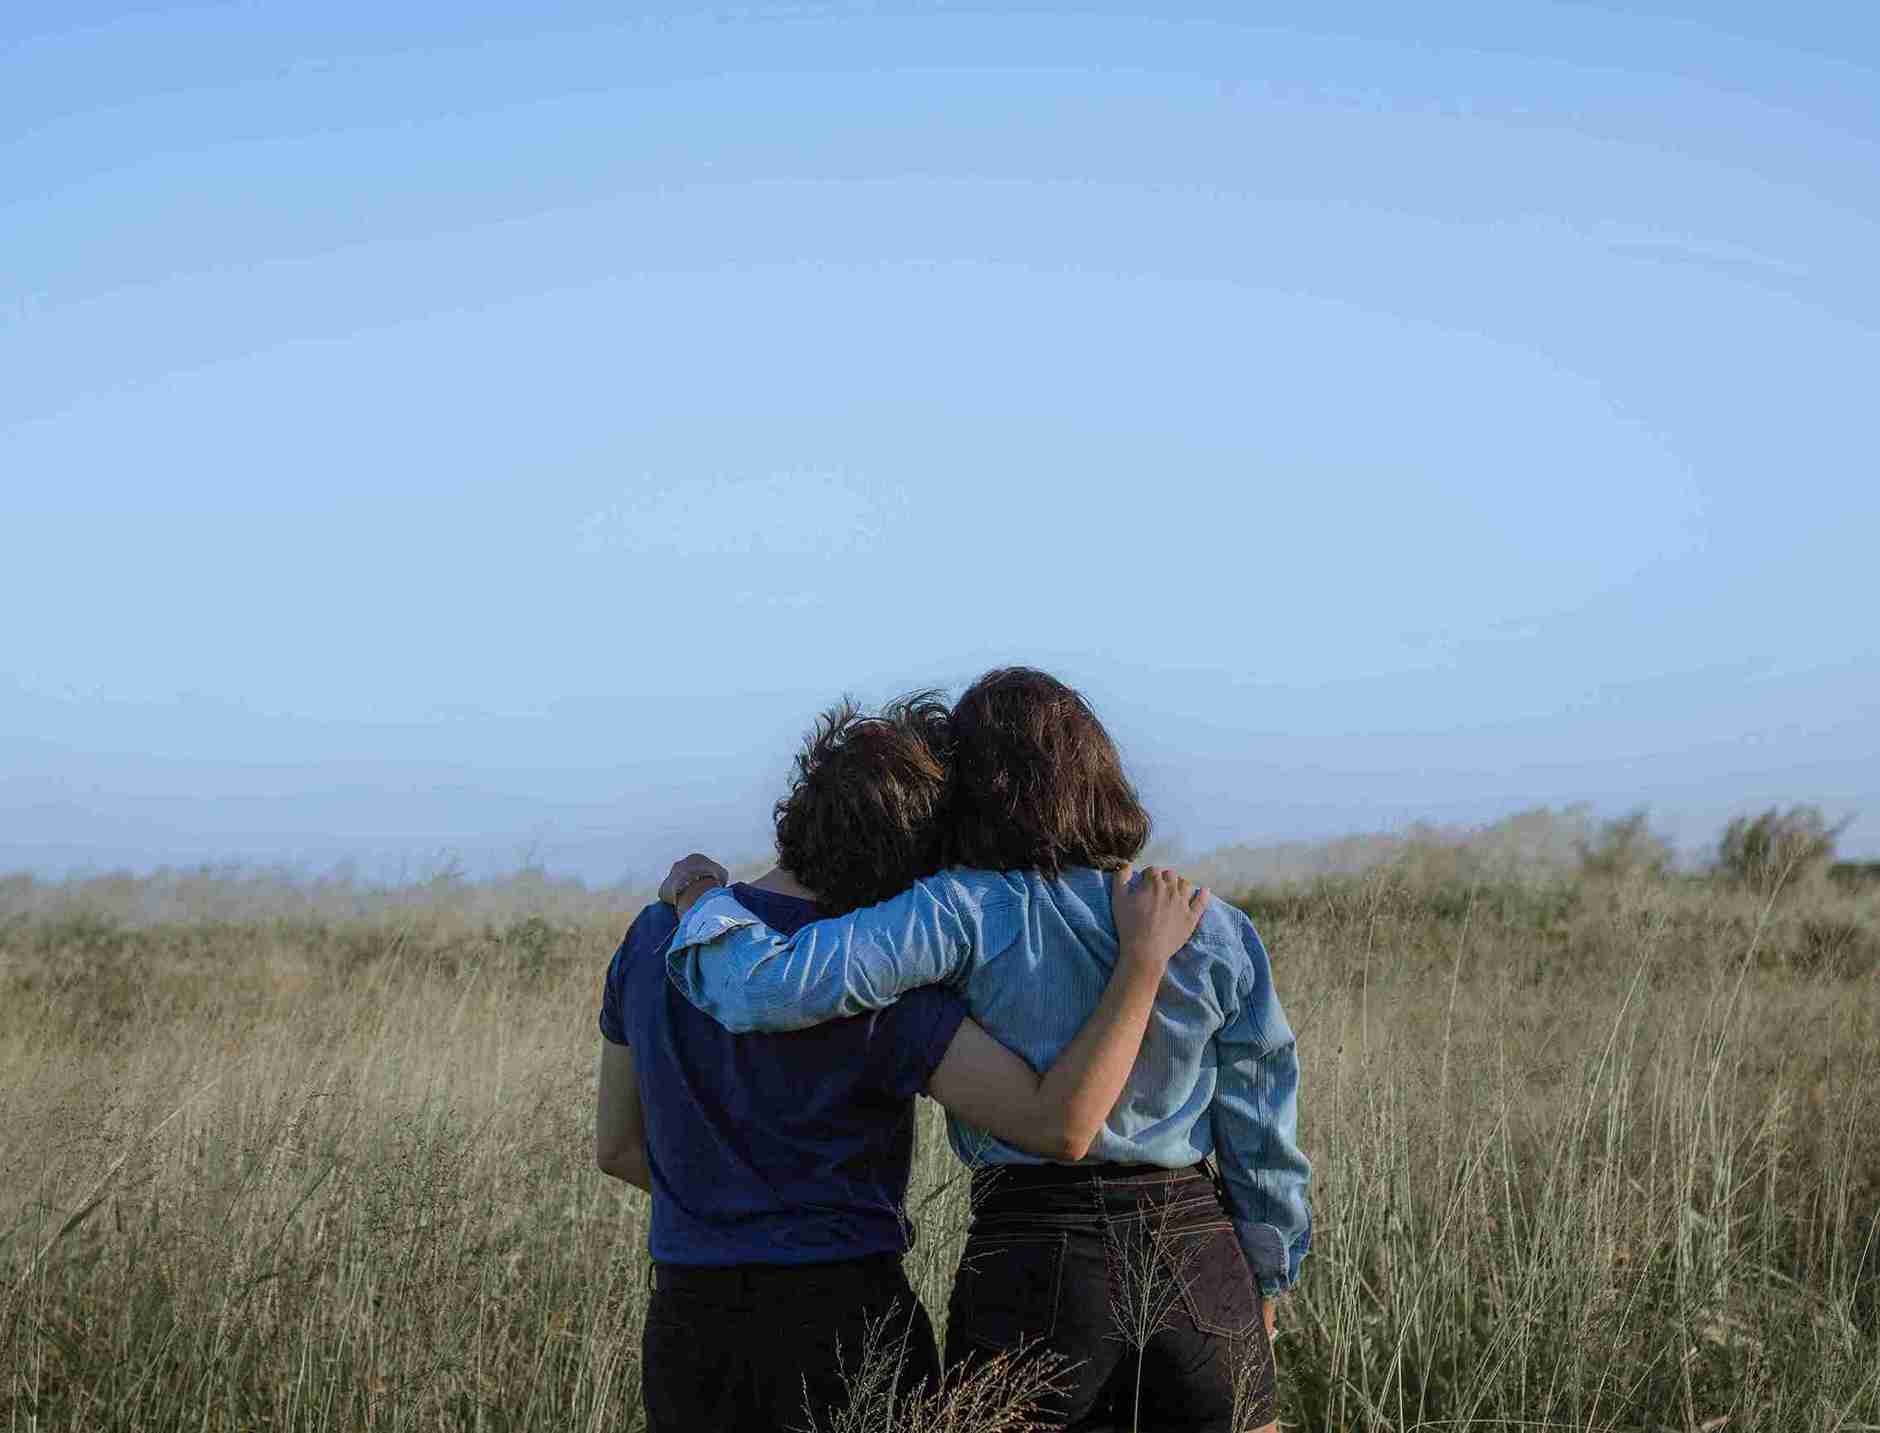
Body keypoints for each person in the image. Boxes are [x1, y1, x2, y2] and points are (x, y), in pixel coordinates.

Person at [664, 668, 1310, 1433]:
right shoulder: (1211, 924)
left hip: (1034, 1254)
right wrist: (1265, 1280)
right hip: (1203, 1258)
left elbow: (765, 987)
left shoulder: (961, 907)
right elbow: (1264, 1135)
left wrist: (702, 897)